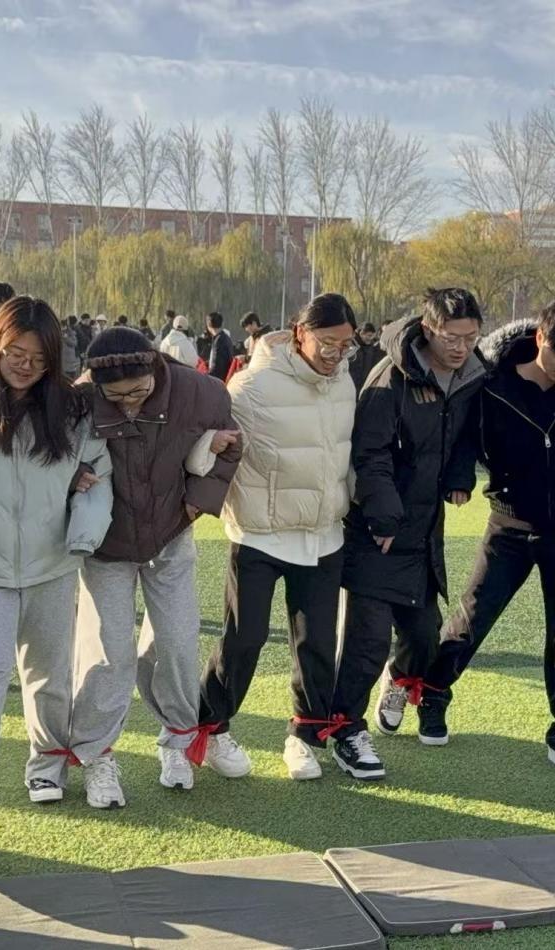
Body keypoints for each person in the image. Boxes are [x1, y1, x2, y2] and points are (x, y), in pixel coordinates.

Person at [0, 296, 112, 837]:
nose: (25, 365)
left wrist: (81, 505)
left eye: (38, 357)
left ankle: (48, 762)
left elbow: (99, 469)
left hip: (51, 564)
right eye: (15, 352)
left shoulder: (72, 414)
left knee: (49, 673)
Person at [419, 300, 555, 776]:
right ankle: (433, 691)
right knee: (472, 617)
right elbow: (468, 437)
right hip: (508, 524)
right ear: (540, 338)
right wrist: (460, 478)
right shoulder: (494, 382)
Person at [73, 328, 241, 806]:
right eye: (116, 397)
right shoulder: (76, 401)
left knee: (178, 640)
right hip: (105, 543)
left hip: (170, 533)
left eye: (139, 392)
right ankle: (97, 754)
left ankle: (178, 739)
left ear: (155, 368)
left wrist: (199, 499)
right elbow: (49, 457)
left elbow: (232, 446)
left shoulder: (202, 392)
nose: (129, 404)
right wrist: (73, 477)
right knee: (108, 651)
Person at [197, 294, 358, 782]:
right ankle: (208, 727)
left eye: (345, 344)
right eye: (327, 342)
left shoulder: (344, 381)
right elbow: (214, 444)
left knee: (317, 642)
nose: (335, 354)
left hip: (323, 534)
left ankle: (305, 735)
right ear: (299, 333)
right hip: (261, 534)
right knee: (244, 638)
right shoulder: (251, 385)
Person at [328, 288, 487, 780]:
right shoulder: (389, 377)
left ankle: (398, 681)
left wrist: (460, 476)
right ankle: (345, 730)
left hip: (423, 531)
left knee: (423, 635)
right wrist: (383, 516)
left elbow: (466, 435)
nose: (461, 347)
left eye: (470, 337)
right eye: (451, 337)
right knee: (367, 641)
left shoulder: (473, 374)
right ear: (428, 328)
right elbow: (369, 453)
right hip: (378, 528)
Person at [348, 322, 383, 391]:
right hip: (351, 384)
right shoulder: (351, 346)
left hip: (365, 384)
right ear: (361, 333)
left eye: (372, 336)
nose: (370, 338)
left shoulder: (371, 347)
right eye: (369, 336)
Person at [205, 312, 233, 381]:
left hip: (218, 380)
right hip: (225, 377)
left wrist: (207, 377)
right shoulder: (226, 337)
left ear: (208, 326)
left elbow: (216, 365)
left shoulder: (218, 341)